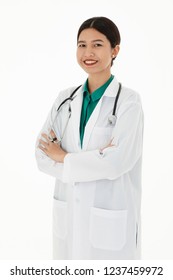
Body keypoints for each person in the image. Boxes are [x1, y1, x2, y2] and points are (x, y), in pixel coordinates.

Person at [35, 16, 144, 260]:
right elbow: (42, 155)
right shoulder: (65, 99)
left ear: (115, 50)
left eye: (97, 44)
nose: (88, 52)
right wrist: (98, 159)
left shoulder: (128, 102)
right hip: (69, 216)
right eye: (82, 44)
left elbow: (119, 162)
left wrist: (63, 157)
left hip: (112, 221)